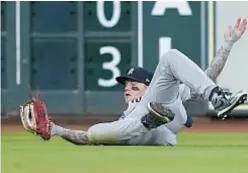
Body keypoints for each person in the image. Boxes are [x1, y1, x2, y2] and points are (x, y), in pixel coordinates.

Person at [20, 17, 247, 146]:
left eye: (134, 83)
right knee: (97, 133)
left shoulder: (168, 92)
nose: (127, 87)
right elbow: (87, 138)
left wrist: (227, 45)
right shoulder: (128, 114)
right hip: (135, 125)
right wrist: (57, 130)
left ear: (150, 84)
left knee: (171, 57)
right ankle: (150, 120)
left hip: (160, 107)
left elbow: (208, 75)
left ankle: (217, 98)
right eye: (125, 85)